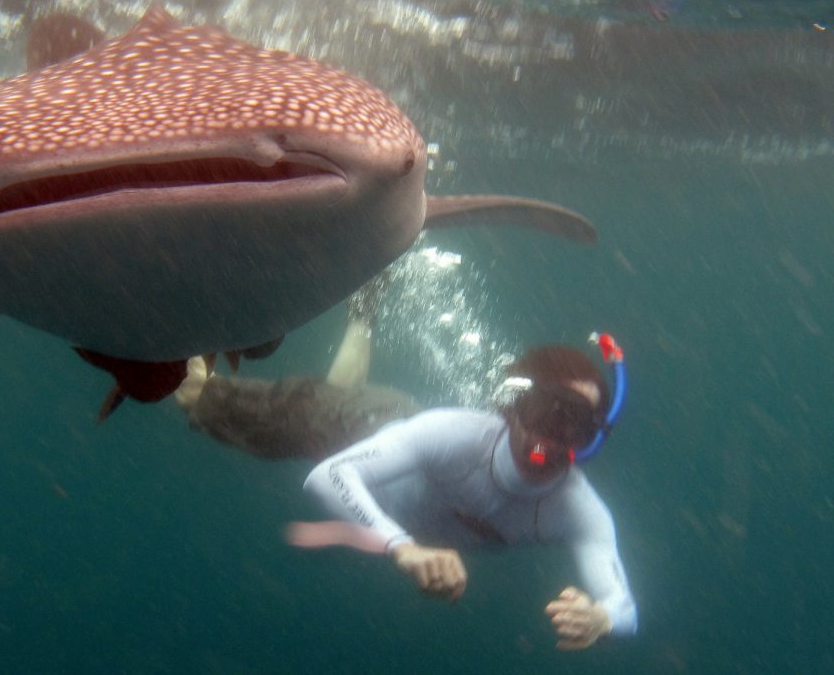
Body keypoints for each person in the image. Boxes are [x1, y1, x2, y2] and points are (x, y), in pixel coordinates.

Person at [174, 275, 636, 649]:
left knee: (339, 390)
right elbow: (329, 475)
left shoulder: (576, 508)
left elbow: (625, 608)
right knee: (198, 396)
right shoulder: (453, 433)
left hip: (386, 456)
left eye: (579, 427)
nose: (555, 443)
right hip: (370, 424)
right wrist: (403, 546)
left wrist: (600, 618)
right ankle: (172, 309)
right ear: (510, 406)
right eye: (548, 415)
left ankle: (362, 316)